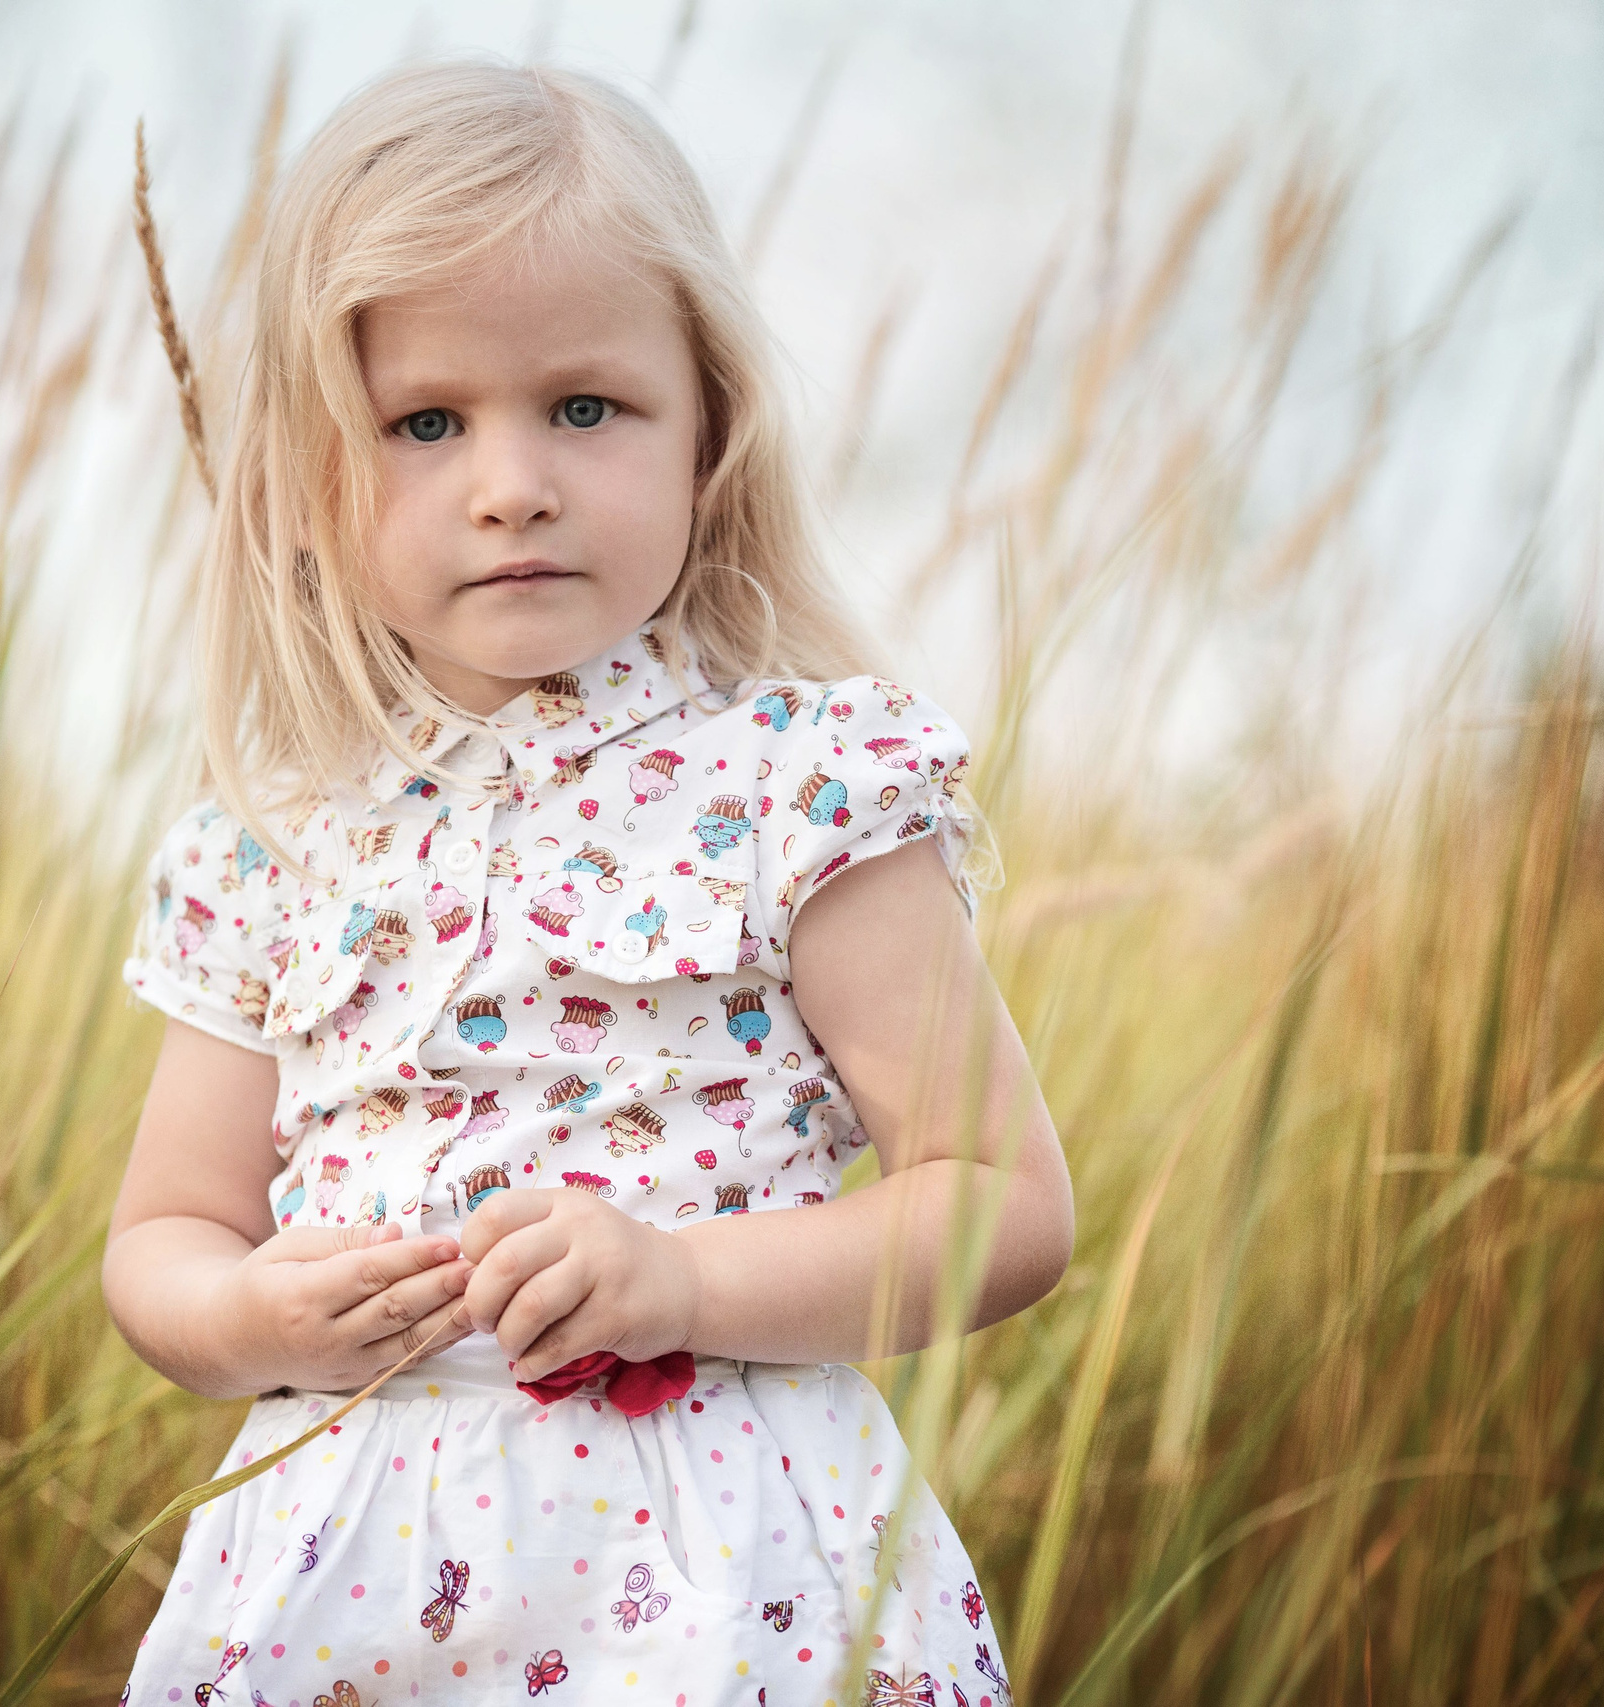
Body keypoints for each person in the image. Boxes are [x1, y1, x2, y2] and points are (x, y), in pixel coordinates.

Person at [104, 57, 1072, 1707]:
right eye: (423, 422)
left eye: (583, 406)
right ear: (312, 481)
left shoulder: (799, 787)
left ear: (707, 430)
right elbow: (165, 1236)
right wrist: (248, 1319)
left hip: (718, 1578)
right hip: (353, 1579)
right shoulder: (272, 842)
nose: (512, 483)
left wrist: (686, 1280)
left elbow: (1003, 1202)